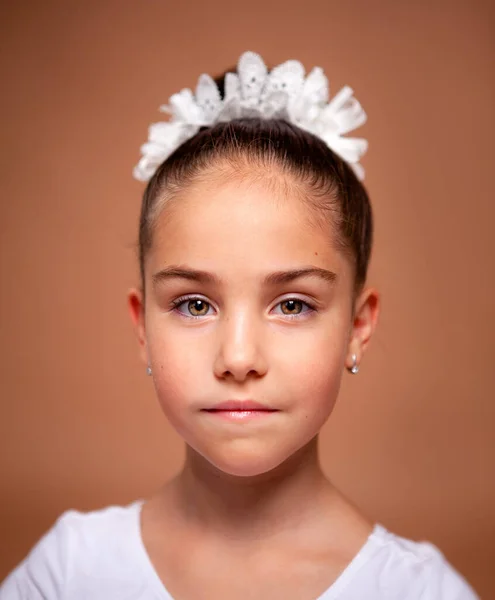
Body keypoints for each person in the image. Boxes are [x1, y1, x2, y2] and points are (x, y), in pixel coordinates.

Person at [0, 51, 479, 600]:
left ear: (357, 326)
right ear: (142, 328)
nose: (238, 357)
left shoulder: (419, 592)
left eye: (293, 305)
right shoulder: (68, 573)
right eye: (195, 305)